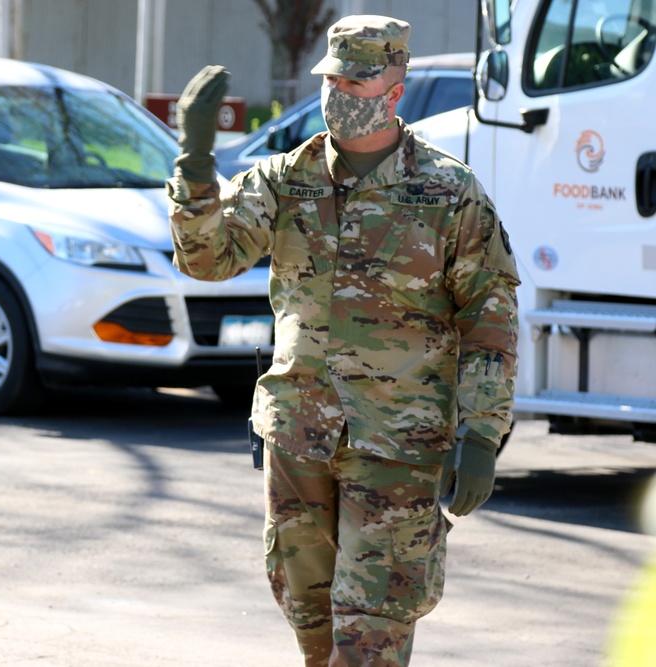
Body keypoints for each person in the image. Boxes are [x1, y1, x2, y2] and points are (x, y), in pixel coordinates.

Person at [166, 14, 520, 667]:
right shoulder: (284, 179)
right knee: (313, 621)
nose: (341, 95)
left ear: (396, 87)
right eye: (334, 81)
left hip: (397, 445)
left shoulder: (448, 193)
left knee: (371, 630)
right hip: (298, 434)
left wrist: (481, 433)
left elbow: (490, 315)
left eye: (359, 83)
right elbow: (207, 259)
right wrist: (194, 166)